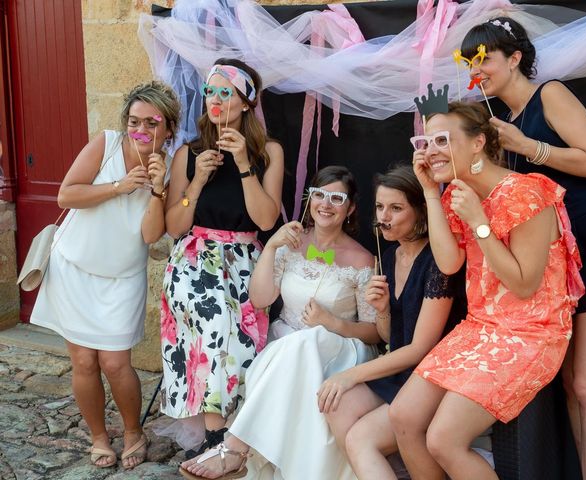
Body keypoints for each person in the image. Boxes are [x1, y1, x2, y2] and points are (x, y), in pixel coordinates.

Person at [459, 17, 586, 479]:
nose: (477, 73)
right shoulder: (502, 128)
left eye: (485, 61)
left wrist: (530, 146)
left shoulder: (550, 96)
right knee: (567, 382)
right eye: (469, 64)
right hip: (558, 263)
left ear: (516, 58)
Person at [390, 102, 584, 480]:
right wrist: (431, 194)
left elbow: (525, 284)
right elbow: (448, 264)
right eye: (425, 142)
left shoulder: (526, 193)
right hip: (481, 327)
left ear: (478, 142)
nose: (430, 151)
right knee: (403, 416)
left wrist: (479, 222)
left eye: (442, 140)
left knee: (443, 438)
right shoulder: (452, 196)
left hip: (532, 332)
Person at [179, 165, 380, 480]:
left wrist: (330, 323)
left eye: (337, 198)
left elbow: (374, 333)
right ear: (309, 199)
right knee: (296, 344)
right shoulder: (289, 245)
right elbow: (260, 299)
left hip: (340, 351)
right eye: (319, 195)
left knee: (307, 339)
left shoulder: (363, 260)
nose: (326, 204)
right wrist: (272, 245)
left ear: (351, 207)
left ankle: (234, 446)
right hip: (285, 346)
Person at [31, 80, 180, 469]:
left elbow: (151, 236)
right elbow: (67, 195)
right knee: (83, 362)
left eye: (152, 123)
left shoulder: (171, 165)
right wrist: (118, 187)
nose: (142, 131)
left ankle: (133, 431)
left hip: (122, 278)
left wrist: (158, 188)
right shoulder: (107, 144)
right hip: (74, 270)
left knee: (115, 363)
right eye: (135, 121)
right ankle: (99, 436)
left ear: (168, 128)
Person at [160, 58, 284, 461]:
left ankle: (237, 434)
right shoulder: (188, 153)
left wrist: (245, 164)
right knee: (216, 326)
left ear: (246, 102)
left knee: (241, 343)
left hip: (246, 262)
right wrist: (195, 181)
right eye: (210, 91)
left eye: (225, 92)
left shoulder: (269, 152)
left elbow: (266, 220)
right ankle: (217, 442)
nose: (214, 100)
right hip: (194, 262)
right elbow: (175, 225)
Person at [313, 165, 464, 479]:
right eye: (380, 207)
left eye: (396, 208)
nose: (384, 216)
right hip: (399, 370)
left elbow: (420, 348)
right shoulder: (390, 256)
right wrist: (382, 310)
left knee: (360, 438)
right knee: (336, 405)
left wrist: (349, 375)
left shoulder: (438, 261)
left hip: (431, 376)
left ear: (421, 213)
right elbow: (387, 336)